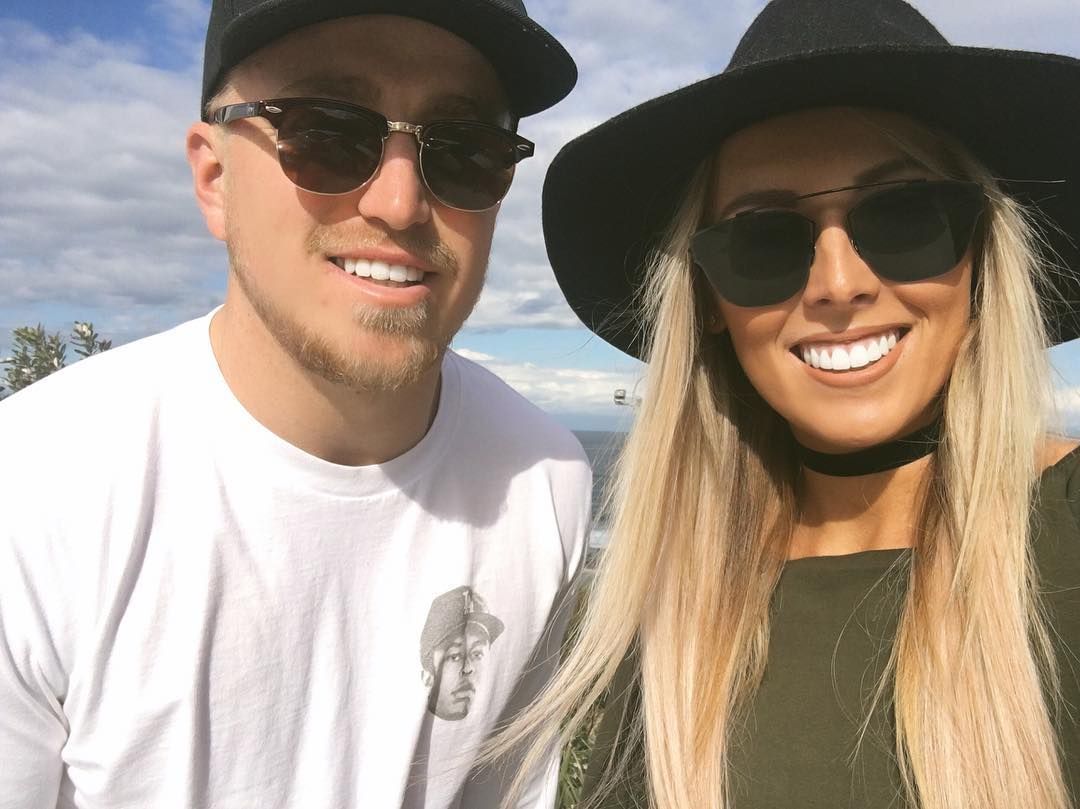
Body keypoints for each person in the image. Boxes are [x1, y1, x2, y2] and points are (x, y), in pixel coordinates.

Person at [489, 1, 1080, 808]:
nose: (839, 283)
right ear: (707, 298)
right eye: (763, 238)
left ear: (979, 253)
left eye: (905, 214)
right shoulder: (674, 614)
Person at [0, 2, 590, 808]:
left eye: (466, 151)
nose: (399, 201)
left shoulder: (545, 482)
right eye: (326, 132)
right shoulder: (34, 489)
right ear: (214, 179)